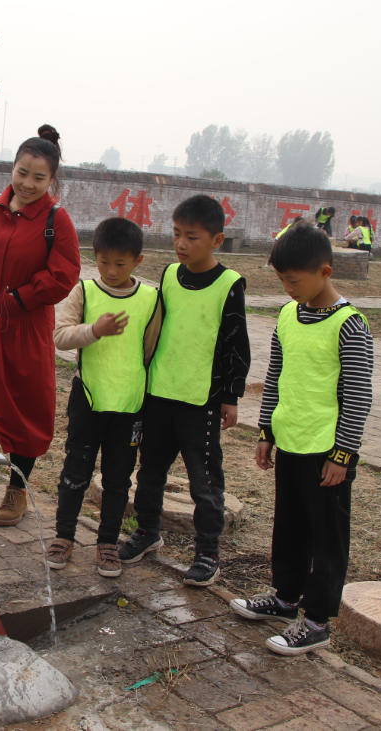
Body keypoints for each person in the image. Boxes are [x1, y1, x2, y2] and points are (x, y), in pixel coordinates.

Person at [230, 222, 373, 655]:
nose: (288, 288)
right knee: (289, 526)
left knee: (327, 537)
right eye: (282, 280)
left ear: (325, 272)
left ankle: (317, 620)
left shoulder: (350, 325)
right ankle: (285, 598)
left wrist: (343, 454)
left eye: (295, 280)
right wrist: (266, 431)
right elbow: (275, 375)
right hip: (290, 441)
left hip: (326, 452)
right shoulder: (289, 314)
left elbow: (358, 396)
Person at [0, 125, 81, 527]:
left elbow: (65, 273)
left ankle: (17, 488)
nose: (27, 183)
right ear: (12, 168)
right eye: (21, 172)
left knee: (25, 405)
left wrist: (19, 298)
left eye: (38, 177)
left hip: (25, 327)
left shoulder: (57, 221)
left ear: (51, 180)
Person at [119, 195, 250, 587]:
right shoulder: (170, 275)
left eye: (191, 237)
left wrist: (230, 396)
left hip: (201, 400)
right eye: (177, 234)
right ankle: (147, 531)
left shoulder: (229, 285)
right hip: (160, 391)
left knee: (204, 481)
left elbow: (235, 344)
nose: (181, 244)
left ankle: (207, 552)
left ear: (217, 241)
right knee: (151, 470)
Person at [46, 217, 159, 578]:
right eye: (104, 262)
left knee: (118, 477)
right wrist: (94, 330)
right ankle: (64, 536)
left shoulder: (150, 298)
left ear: (137, 261)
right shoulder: (85, 291)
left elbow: (149, 349)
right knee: (75, 469)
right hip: (89, 399)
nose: (111, 271)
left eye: (120, 264)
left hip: (128, 405)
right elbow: (60, 336)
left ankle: (107, 542)